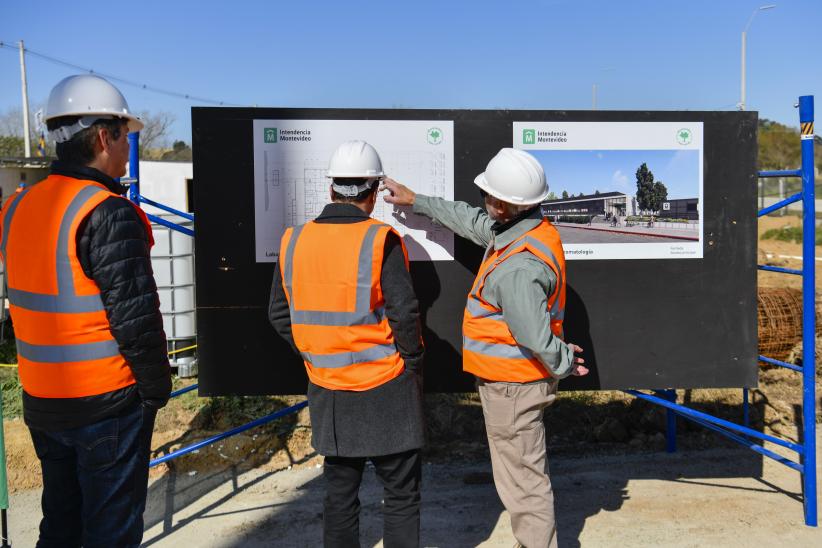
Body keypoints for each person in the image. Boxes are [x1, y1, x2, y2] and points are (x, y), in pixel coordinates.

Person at [381, 148, 588, 548]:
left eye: (489, 196)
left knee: (523, 484)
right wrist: (416, 201)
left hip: (513, 387)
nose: (483, 202)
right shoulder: (526, 233)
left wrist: (563, 361)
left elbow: (533, 334)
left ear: (506, 206)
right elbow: (469, 220)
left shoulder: (518, 267)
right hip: (515, 383)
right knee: (522, 476)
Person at [0, 74, 171, 547]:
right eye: (125, 135)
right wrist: (155, 392)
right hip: (106, 406)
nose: (126, 146)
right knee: (110, 532)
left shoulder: (15, 208)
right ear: (103, 137)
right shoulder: (107, 212)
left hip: (42, 401)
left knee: (60, 524)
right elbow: (136, 319)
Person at [269, 140, 425, 547]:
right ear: (372, 192)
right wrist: (411, 363)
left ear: (331, 189)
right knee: (402, 496)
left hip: (328, 390)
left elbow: (278, 314)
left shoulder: (293, 240)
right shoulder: (380, 240)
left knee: (339, 495)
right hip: (386, 387)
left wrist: (318, 349)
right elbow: (404, 313)